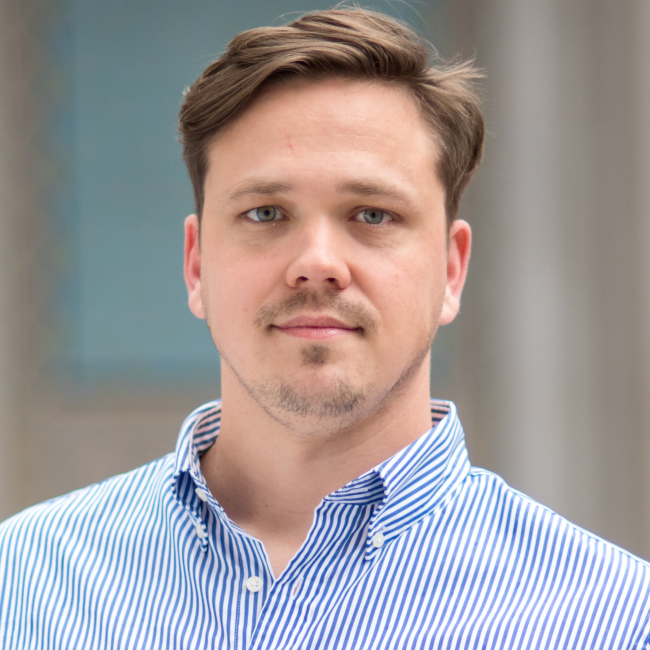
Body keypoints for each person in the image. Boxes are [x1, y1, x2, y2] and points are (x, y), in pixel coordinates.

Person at [1, 7, 649, 649]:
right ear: (196, 264)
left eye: (371, 214)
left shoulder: (615, 619)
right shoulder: (27, 581)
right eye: (265, 213)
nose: (316, 263)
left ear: (451, 271)